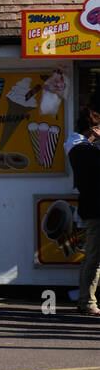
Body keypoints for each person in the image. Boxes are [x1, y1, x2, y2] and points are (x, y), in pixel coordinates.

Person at [68, 107, 100, 317]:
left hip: (92, 208)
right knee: (94, 257)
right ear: (93, 129)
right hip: (96, 209)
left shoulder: (83, 149)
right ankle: (87, 301)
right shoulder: (81, 150)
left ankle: (86, 300)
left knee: (93, 257)